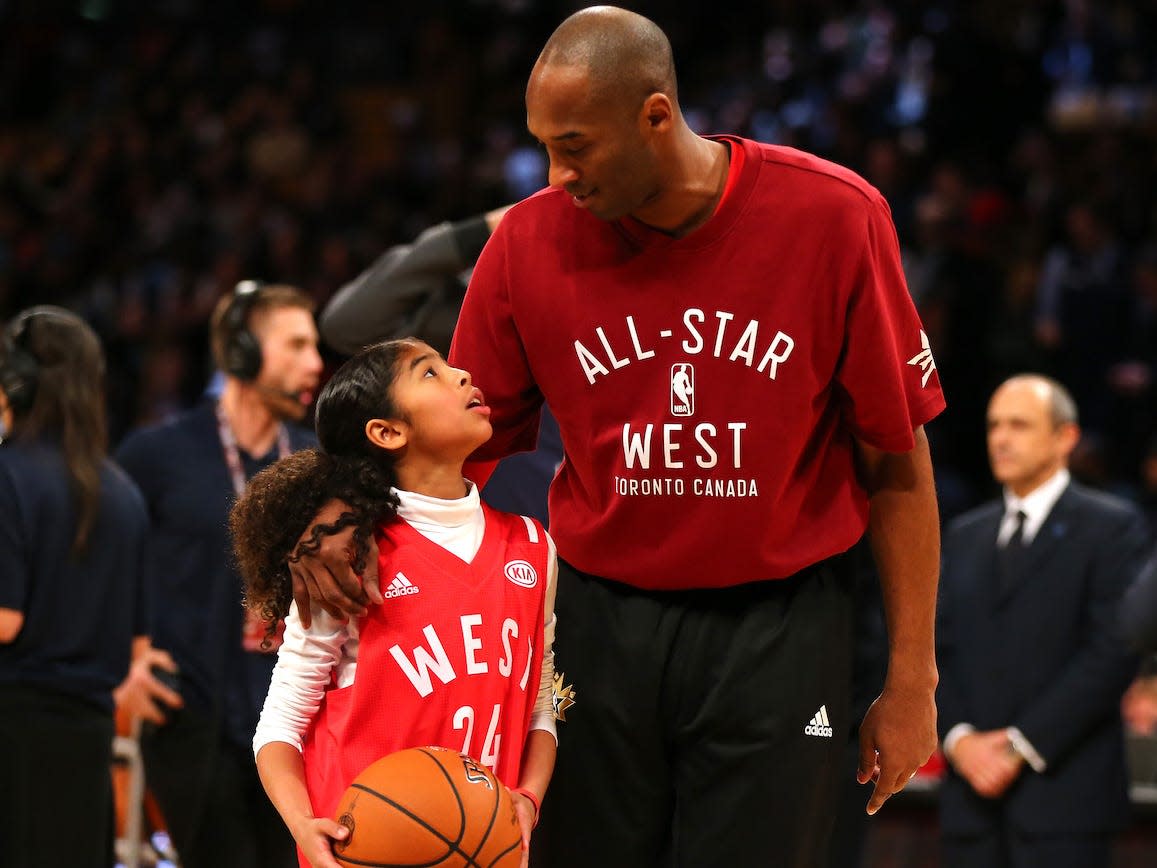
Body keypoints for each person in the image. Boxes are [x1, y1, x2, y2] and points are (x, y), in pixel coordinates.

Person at [291, 8, 946, 866]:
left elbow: (894, 459)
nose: (556, 174)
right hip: (598, 621)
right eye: (543, 147)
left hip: (780, 624)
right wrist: (330, 517)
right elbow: (441, 441)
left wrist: (911, 679)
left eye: (576, 146)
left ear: (655, 115)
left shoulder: (833, 216)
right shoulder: (528, 241)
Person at [232, 338, 557, 868]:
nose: (461, 375)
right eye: (430, 373)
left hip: (483, 845)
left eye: (452, 365)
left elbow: (540, 703)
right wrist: (301, 824)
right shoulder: (348, 553)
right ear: (387, 432)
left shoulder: (533, 545)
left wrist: (529, 796)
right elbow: (281, 723)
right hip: (363, 845)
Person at [113, 281, 323, 868]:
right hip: (192, 722)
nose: (315, 362)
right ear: (242, 353)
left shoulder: (316, 466)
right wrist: (120, 661)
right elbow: (97, 567)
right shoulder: (156, 455)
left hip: (296, 727)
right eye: (297, 345)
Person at [936, 374, 1149, 868]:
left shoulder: (1112, 527)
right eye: (993, 426)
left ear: (1065, 438)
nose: (1001, 439)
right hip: (969, 805)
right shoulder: (964, 535)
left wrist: (1018, 746)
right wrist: (959, 739)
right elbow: (931, 650)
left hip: (1065, 802)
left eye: (1019, 425)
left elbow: (1113, 651)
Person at [0, 306, 149, 867]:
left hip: (11, 736)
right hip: (89, 741)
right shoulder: (124, 492)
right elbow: (137, 645)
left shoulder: (7, 474)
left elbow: (4, 619)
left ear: (17, 379)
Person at [319, 205, 561, 527]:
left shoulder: (609, 299)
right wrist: (494, 227)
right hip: (495, 525)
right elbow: (345, 323)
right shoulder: (476, 311)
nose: (462, 376)